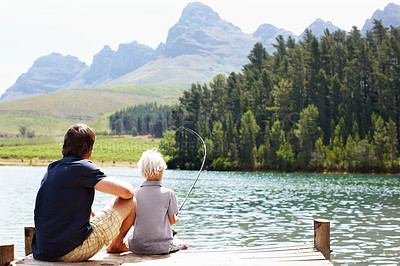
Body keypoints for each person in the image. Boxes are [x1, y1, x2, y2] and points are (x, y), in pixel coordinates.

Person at [32, 123, 136, 262]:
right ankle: (117, 244)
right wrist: (130, 185)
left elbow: (74, 206)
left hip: (43, 251)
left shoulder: (53, 168)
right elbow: (127, 192)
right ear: (89, 148)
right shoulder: (82, 166)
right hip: (71, 251)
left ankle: (114, 242)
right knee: (130, 201)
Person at [127, 149, 187, 254]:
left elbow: (133, 223)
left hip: (137, 246)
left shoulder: (134, 194)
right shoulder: (169, 193)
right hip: (162, 247)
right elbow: (172, 221)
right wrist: (176, 218)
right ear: (161, 170)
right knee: (184, 245)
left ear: (142, 171)